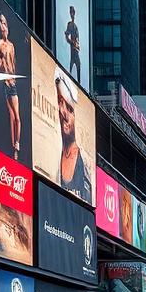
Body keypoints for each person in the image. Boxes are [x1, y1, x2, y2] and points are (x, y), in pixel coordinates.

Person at [55, 69, 91, 203]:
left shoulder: (85, 164)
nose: (64, 113)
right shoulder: (53, 152)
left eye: (70, 109)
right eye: (59, 102)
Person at [0, 13, 21, 158]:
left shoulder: (11, 46)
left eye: (4, 23)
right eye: (1, 23)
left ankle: (17, 143)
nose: (3, 26)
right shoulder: (0, 44)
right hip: (5, 82)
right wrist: (2, 62)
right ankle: (14, 148)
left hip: (12, 83)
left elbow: (14, 64)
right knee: (11, 115)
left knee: (17, 116)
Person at [64, 5, 81, 83]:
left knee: (78, 66)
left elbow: (77, 39)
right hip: (73, 50)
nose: (72, 14)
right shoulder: (70, 24)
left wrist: (76, 44)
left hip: (76, 49)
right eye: (71, 12)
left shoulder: (75, 26)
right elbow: (67, 37)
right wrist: (72, 43)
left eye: (73, 12)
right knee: (74, 66)